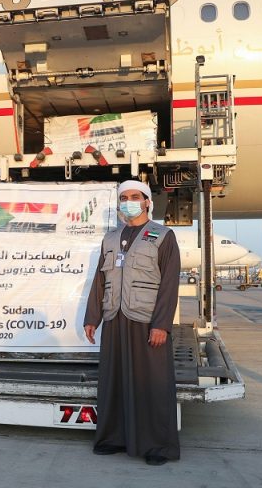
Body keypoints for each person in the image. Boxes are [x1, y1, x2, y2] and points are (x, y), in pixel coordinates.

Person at [83, 180, 181, 465]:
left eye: (135, 197)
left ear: (147, 202)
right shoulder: (111, 238)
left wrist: (161, 324)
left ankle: (157, 446)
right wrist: (92, 317)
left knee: (151, 383)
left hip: (146, 320)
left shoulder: (163, 236)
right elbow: (100, 280)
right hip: (115, 317)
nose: (129, 202)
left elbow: (169, 283)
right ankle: (114, 438)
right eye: (124, 198)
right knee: (113, 381)